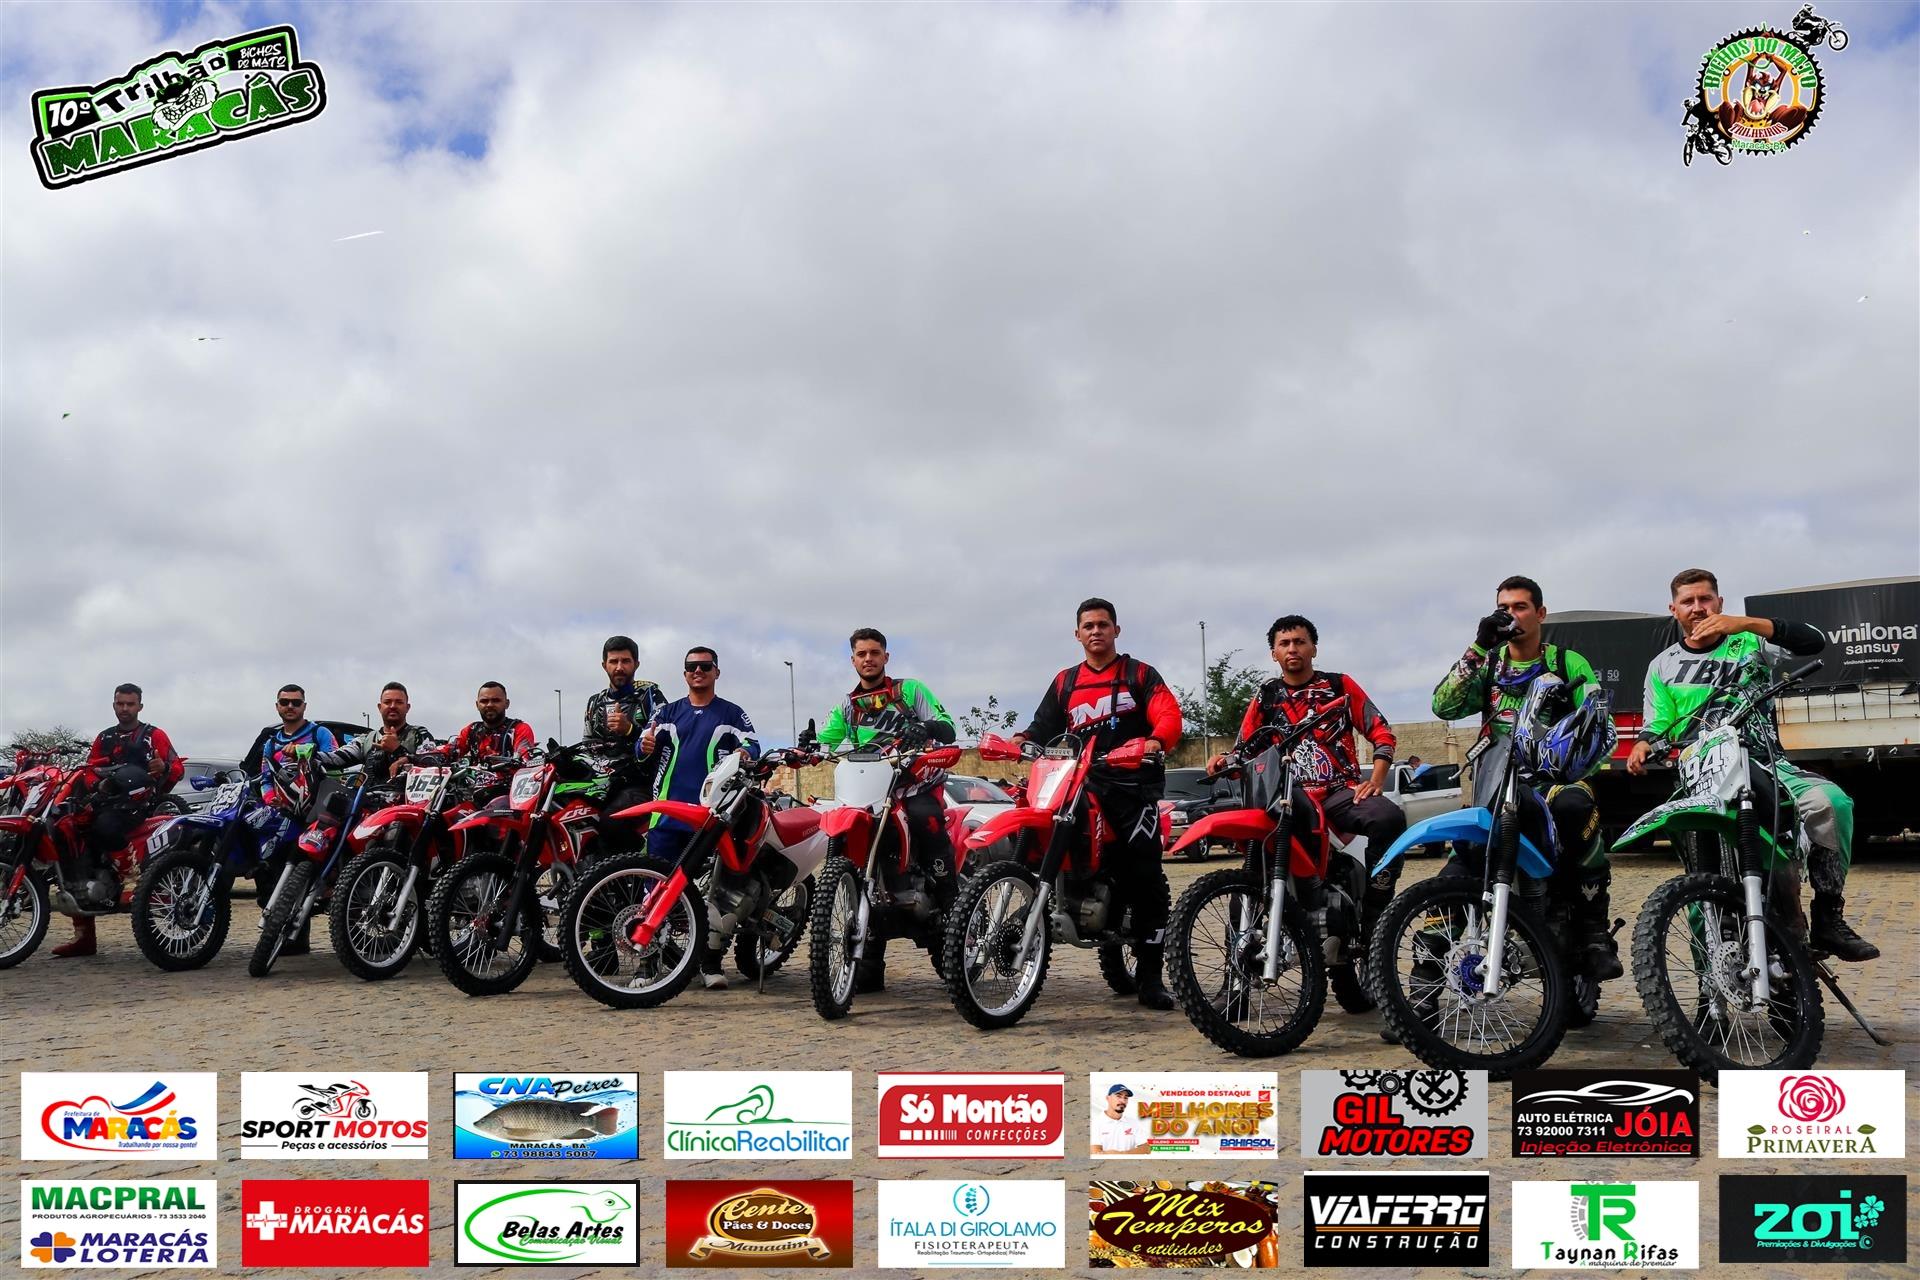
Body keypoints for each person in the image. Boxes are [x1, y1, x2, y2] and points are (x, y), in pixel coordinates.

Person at [1627, 568, 1876, 961]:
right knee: (1701, 887)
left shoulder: (1751, 642)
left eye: (1705, 599)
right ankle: (1709, 986)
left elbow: (1814, 641)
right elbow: (1658, 722)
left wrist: (1744, 623)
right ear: (1673, 609)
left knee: (1832, 803)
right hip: (1701, 775)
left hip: (1765, 763)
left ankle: (1828, 916)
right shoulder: (1662, 665)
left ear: (1720, 602)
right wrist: (1644, 743)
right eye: (1688, 601)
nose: (1698, 607)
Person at [1431, 575, 1621, 982]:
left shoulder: (1567, 663)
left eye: (1519, 607)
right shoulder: (1489, 664)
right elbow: (1443, 706)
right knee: (1462, 855)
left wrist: (1574, 764)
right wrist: (1478, 646)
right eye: (1503, 608)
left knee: (1576, 806)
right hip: (1495, 783)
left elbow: (1600, 727)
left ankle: (1593, 934)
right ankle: (1424, 977)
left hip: (1553, 781)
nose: (1511, 615)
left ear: (1540, 613)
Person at [1013, 598, 1183, 1011]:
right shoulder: (1066, 682)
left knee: (1144, 871)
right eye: (1088, 626)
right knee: (1033, 831)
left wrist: (1155, 741)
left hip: (1131, 786)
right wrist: (1021, 741)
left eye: (1103, 625)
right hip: (1077, 781)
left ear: (1116, 631)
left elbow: (1167, 715)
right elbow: (1043, 726)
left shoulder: (1139, 674)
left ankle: (1150, 977)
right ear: (1077, 634)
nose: (1096, 631)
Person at [1209, 615, 1408, 967]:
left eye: (1300, 642)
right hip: (1286, 797)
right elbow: (1245, 748)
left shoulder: (1339, 686)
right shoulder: (1266, 696)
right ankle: (1237, 975)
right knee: (1250, 875)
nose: (1292, 649)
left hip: (1337, 792)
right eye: (1284, 644)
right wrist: (1224, 761)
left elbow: (1381, 731)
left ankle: (1376, 916)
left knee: (1389, 818)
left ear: (1314, 648)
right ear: (1273, 653)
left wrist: (1377, 779)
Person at [817, 627, 958, 993]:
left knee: (924, 819)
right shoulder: (848, 706)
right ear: (853, 660)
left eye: (875, 652)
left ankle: (952, 903)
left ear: (886, 657)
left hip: (914, 784)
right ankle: (865, 963)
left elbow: (947, 727)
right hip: (868, 792)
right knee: (852, 848)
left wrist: (925, 727)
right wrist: (806, 745)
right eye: (862, 654)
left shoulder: (910, 691)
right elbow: (825, 740)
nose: (869, 659)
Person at [638, 647, 762, 990]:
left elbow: (753, 743)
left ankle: (709, 962)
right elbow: (643, 743)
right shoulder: (667, 712)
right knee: (655, 890)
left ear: (716, 672)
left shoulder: (732, 713)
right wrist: (643, 745)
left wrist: (745, 752)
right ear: (684, 673)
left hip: (711, 815)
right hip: (666, 814)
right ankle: (649, 964)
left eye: (705, 666)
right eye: (691, 666)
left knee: (713, 893)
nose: (698, 671)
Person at [54, 683, 184, 957]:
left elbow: (177, 769)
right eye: (120, 703)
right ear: (113, 705)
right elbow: (90, 769)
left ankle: (131, 878)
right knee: (69, 837)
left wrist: (164, 767)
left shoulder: (154, 735)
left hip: (140, 805)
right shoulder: (105, 737)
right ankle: (84, 935)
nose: (124, 708)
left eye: (130, 704)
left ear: (140, 706)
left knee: (106, 826)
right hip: (104, 803)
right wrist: (96, 785)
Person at [315, 683, 436, 779]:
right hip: (369, 800)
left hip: (408, 800)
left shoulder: (419, 734)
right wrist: (307, 754)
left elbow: (434, 763)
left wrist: (397, 750)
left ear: (407, 707)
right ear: (379, 707)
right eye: (387, 702)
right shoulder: (366, 740)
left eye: (399, 702)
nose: (392, 706)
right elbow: (336, 758)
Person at [244, 685, 338, 804]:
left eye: (296, 703)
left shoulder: (321, 733)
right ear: (277, 706)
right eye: (284, 702)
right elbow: (266, 779)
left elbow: (337, 771)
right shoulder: (271, 744)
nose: (290, 706)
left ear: (304, 706)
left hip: (317, 807)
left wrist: (302, 754)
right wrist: (271, 799)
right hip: (282, 810)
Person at [584, 635, 668, 748]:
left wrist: (630, 729)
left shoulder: (651, 695)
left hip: (639, 759)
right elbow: (585, 745)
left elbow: (667, 740)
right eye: (613, 661)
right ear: (604, 666)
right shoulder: (594, 702)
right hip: (598, 760)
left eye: (625, 661)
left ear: (636, 664)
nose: (619, 667)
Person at [450, 681, 538, 761]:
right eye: (484, 701)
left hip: (510, 774)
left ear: (506, 704)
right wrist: (441, 755)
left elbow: (524, 759)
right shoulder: (471, 730)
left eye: (496, 700)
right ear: (477, 705)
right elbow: (448, 751)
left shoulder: (519, 729)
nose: (489, 705)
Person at [1090, 1083, 1148, 1155]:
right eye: (1118, 1096)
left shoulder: (1133, 1123)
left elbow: (1146, 1148)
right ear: (1108, 1098)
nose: (1123, 1101)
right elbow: (1095, 1152)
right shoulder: (1095, 1123)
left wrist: (1123, 1154)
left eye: (1125, 1098)